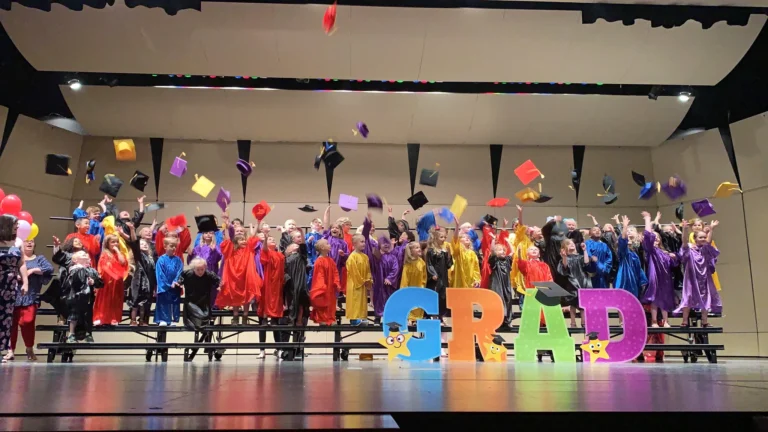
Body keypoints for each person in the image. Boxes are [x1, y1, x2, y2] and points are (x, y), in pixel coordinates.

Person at [10, 238, 53, 360]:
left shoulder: (39, 259)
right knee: (11, 325)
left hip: (31, 295)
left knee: (28, 322)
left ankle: (29, 348)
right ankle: (10, 350)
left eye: (32, 241)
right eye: (26, 241)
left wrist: (32, 270)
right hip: (13, 295)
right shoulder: (15, 258)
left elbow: (49, 269)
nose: (29, 243)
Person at [676, 219, 722, 327]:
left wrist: (711, 228)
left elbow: (709, 241)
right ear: (695, 239)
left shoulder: (705, 249)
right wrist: (685, 229)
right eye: (700, 237)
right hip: (691, 278)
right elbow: (684, 241)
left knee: (705, 297)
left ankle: (704, 321)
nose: (703, 239)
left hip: (703, 278)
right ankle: (685, 320)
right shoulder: (690, 250)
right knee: (688, 297)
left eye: (704, 237)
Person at [216, 222, 262, 325]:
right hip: (234, 276)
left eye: (242, 231)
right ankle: (235, 316)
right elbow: (227, 240)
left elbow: (253, 236)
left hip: (246, 276)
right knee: (235, 296)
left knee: (247, 295)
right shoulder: (231, 248)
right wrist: (227, 228)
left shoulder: (248, 248)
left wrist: (257, 222)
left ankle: (245, 316)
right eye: (237, 231)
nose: (240, 233)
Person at [640, 212, 678, 327]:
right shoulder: (651, 251)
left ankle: (665, 321)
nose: (655, 239)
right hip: (655, 276)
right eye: (654, 238)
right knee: (654, 299)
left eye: (657, 238)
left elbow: (673, 264)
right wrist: (648, 219)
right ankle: (654, 321)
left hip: (665, 278)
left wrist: (674, 256)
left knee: (665, 298)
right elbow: (647, 235)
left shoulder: (664, 252)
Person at [0, 216, 28, 362]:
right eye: (15, 225)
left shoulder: (18, 242)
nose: (17, 227)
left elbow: (22, 263)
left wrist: (25, 282)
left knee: (5, 318)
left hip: (10, 285)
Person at [363, 215, 399, 325]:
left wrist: (390, 278)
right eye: (384, 244)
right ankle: (377, 319)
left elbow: (395, 269)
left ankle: (389, 320)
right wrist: (367, 224)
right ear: (379, 245)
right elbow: (366, 241)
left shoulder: (393, 257)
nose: (386, 245)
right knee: (378, 301)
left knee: (390, 301)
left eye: (388, 244)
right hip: (378, 283)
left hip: (389, 284)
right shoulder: (376, 255)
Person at [61, 251, 102, 344]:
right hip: (75, 296)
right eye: (82, 255)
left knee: (88, 316)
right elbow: (73, 283)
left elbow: (100, 283)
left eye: (86, 255)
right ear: (75, 260)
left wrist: (94, 282)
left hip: (88, 298)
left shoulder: (91, 270)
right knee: (74, 315)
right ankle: (71, 334)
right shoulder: (73, 269)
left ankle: (88, 333)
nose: (85, 256)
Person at [256, 235, 285, 359]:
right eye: (269, 240)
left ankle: (278, 349)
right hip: (267, 287)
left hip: (277, 289)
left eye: (273, 239)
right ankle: (262, 350)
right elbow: (264, 256)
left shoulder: (280, 255)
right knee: (263, 320)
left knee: (275, 322)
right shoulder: (266, 253)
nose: (272, 239)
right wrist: (265, 241)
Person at [93, 234, 129, 326]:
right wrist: (113, 274)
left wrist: (117, 251)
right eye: (113, 242)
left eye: (117, 242)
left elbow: (123, 262)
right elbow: (103, 267)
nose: (115, 244)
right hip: (107, 281)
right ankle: (100, 317)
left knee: (115, 300)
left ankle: (114, 318)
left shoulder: (120, 254)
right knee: (104, 300)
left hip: (117, 282)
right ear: (107, 244)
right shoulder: (105, 254)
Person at [557, 240, 594, 327]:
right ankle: (573, 322)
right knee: (572, 302)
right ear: (564, 248)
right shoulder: (566, 258)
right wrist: (564, 257)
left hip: (583, 280)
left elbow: (586, 263)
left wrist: (585, 250)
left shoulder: (580, 257)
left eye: (573, 244)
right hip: (572, 281)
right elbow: (565, 268)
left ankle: (583, 322)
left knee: (583, 302)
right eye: (568, 244)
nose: (571, 245)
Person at [125, 222, 156, 326]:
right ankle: (133, 320)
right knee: (135, 302)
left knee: (145, 303)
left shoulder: (151, 258)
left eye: (145, 244)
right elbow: (134, 242)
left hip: (148, 283)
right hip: (138, 282)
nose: (144, 245)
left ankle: (142, 320)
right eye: (141, 244)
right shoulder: (139, 256)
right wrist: (132, 229)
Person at [614, 215, 648, 298]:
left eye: (631, 230)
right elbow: (622, 240)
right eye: (627, 231)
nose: (628, 232)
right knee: (624, 302)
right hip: (625, 279)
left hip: (636, 278)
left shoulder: (637, 248)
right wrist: (624, 226)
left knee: (636, 302)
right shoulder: (623, 250)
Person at [310, 239, 341, 325]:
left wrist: (336, 282)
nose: (329, 245)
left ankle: (331, 318)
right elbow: (319, 275)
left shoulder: (330, 260)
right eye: (327, 244)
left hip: (330, 287)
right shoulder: (319, 261)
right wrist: (322, 286)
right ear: (322, 247)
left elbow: (335, 272)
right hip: (323, 287)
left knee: (331, 303)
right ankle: (322, 319)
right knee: (322, 302)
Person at [155, 237, 184, 326]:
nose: (173, 248)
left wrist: (175, 281)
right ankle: (163, 319)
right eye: (171, 246)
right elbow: (160, 273)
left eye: (175, 246)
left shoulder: (178, 260)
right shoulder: (161, 259)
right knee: (164, 302)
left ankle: (172, 320)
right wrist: (167, 284)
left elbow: (180, 271)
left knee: (174, 303)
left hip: (174, 286)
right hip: (164, 286)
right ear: (165, 246)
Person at [425, 227, 453, 322]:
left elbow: (449, 265)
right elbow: (429, 263)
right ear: (436, 238)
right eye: (441, 237)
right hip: (435, 278)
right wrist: (432, 273)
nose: (444, 239)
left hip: (443, 277)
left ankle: (441, 315)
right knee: (434, 295)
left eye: (445, 237)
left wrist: (449, 254)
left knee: (443, 296)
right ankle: (433, 314)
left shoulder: (444, 250)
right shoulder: (431, 251)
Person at [345, 234, 372, 325]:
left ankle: (361, 317)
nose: (364, 243)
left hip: (363, 284)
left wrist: (368, 280)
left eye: (364, 241)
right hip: (355, 284)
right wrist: (361, 281)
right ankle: (354, 319)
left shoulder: (365, 257)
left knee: (362, 301)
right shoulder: (352, 257)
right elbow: (354, 272)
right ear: (355, 243)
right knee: (355, 301)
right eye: (361, 242)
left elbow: (368, 270)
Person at [399, 241, 427, 324]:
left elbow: (424, 276)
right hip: (410, 290)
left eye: (419, 247)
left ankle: (417, 319)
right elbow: (405, 280)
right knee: (411, 305)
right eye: (417, 248)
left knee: (418, 305)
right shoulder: (407, 265)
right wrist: (405, 291)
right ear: (411, 251)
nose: (419, 249)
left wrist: (422, 285)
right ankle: (410, 319)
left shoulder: (422, 262)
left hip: (419, 289)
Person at [451, 217, 481, 289]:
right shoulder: (459, 251)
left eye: (468, 237)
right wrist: (457, 226)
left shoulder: (472, 253)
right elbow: (455, 240)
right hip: (460, 280)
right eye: (464, 237)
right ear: (460, 241)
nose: (467, 238)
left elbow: (476, 268)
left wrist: (477, 280)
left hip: (471, 282)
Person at [488, 244, 514, 327]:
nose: (502, 251)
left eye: (503, 250)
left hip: (506, 284)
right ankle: (497, 320)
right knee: (499, 300)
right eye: (499, 250)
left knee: (508, 300)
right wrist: (493, 241)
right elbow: (492, 251)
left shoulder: (507, 260)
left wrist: (508, 242)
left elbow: (512, 252)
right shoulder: (495, 261)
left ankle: (507, 321)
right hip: (497, 284)